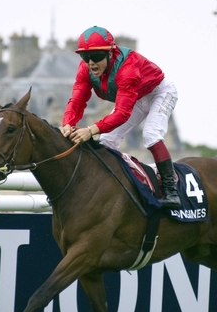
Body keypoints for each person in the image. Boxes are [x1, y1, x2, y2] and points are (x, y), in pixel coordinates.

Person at [60, 26, 181, 208]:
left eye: (97, 56)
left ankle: (173, 192)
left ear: (111, 52)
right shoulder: (85, 69)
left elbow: (122, 113)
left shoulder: (128, 68)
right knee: (107, 140)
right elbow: (76, 100)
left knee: (151, 135)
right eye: (85, 57)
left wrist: (90, 130)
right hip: (137, 96)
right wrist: (67, 123)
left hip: (160, 92)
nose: (91, 63)